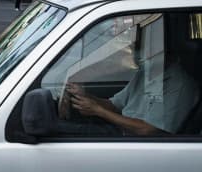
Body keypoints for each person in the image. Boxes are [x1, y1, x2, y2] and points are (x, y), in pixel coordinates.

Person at [61, 55, 198, 136]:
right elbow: (115, 105)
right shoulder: (147, 72)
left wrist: (98, 110)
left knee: (61, 133)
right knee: (65, 127)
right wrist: (86, 96)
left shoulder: (179, 85)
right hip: (121, 131)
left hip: (139, 143)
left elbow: (148, 130)